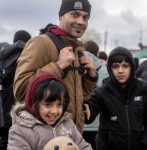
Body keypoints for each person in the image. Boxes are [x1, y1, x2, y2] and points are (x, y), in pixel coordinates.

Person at [13, 0, 97, 133]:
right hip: (44, 137)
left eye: (85, 17)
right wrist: (58, 66)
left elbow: (75, 98)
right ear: (61, 16)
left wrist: (91, 77)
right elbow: (20, 91)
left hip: (72, 137)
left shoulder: (77, 50)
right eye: (75, 15)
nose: (81, 21)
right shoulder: (41, 43)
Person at [84, 47, 147, 150]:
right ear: (110, 68)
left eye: (125, 66)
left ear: (132, 67)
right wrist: (87, 79)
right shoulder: (102, 91)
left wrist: (144, 143)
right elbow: (87, 117)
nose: (120, 71)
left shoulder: (142, 89)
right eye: (116, 66)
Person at [7, 72, 92, 150]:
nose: (54, 111)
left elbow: (84, 147)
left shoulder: (68, 124)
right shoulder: (20, 130)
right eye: (48, 104)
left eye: (59, 104)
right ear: (34, 103)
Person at [0, 30, 31, 150]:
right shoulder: (28, 53)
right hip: (22, 106)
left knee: (4, 139)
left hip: (4, 106)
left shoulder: (3, 54)